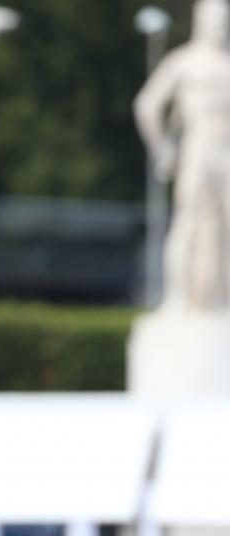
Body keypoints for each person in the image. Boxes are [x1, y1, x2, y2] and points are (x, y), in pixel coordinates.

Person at [134, 0, 230, 309]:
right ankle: (176, 297)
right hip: (196, 147)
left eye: (224, 19)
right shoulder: (183, 62)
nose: (220, 25)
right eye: (215, 18)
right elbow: (147, 106)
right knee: (187, 222)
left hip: (225, 152)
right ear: (200, 20)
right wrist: (162, 149)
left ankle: (220, 297)